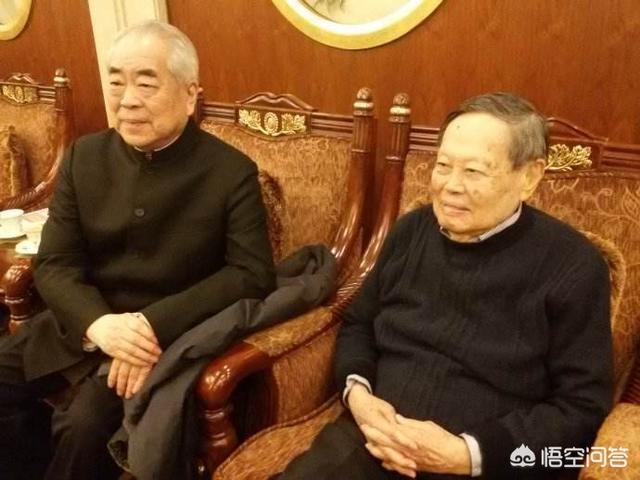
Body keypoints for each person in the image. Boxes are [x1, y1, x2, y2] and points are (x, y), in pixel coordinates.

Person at [277, 93, 613, 479]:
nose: (450, 186)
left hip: (486, 465)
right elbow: (359, 324)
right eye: (443, 165)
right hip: (370, 441)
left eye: (473, 171)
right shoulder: (410, 231)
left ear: (529, 177)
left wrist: (466, 454)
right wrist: (359, 395)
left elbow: (581, 409)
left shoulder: (574, 266)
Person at [0, 21, 275, 480]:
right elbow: (55, 263)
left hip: (159, 344)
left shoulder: (231, 174)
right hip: (80, 326)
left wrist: (150, 326)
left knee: (83, 428)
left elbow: (251, 274)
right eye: (116, 82)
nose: (127, 100)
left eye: (146, 83)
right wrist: (98, 324)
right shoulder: (85, 156)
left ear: (190, 95)